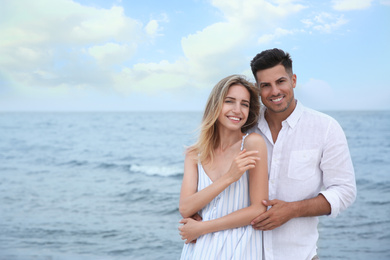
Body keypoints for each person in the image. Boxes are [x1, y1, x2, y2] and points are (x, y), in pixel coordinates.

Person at [248, 48, 357, 260]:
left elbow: (344, 191)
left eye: (281, 81)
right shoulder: (245, 127)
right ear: (257, 89)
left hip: (300, 255)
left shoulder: (325, 128)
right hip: (244, 253)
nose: (275, 91)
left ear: (293, 80)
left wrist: (292, 210)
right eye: (266, 86)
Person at [178, 75, 269, 259]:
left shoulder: (252, 143)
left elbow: (258, 209)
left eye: (244, 104)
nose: (237, 110)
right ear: (215, 105)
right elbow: (186, 208)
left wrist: (202, 227)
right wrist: (229, 177)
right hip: (198, 251)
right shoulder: (194, 153)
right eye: (229, 101)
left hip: (240, 249)